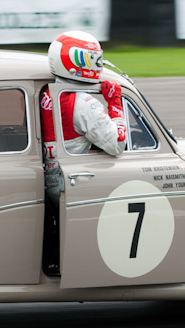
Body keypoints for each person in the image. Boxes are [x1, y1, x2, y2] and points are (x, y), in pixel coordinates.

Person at [39, 30, 127, 275]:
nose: (98, 63)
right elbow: (117, 143)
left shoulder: (45, 92)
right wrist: (115, 103)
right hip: (68, 181)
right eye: (93, 58)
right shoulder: (82, 102)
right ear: (79, 61)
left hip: (47, 174)